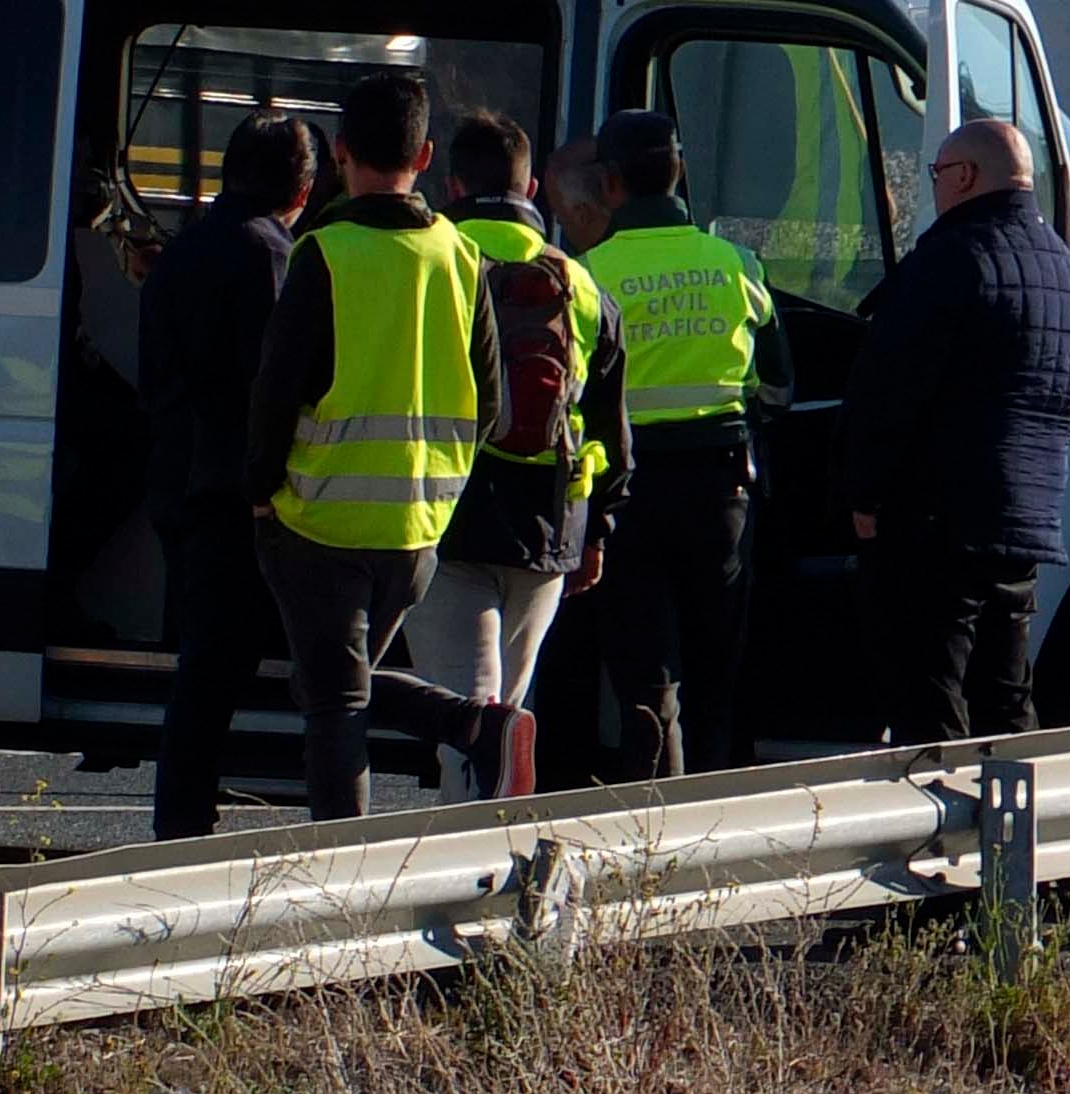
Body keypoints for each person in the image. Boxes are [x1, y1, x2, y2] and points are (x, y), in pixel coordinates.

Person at [244, 67, 525, 821]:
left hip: (318, 520)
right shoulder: (462, 257)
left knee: (333, 703)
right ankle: (474, 723)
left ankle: (346, 882)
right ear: (426, 157)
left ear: (340, 153)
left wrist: (260, 494)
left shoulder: (324, 254)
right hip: (418, 532)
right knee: (335, 684)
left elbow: (276, 394)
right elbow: (494, 409)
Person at [841, 115, 1070, 745]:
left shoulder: (949, 261)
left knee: (928, 692)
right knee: (1007, 695)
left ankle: (943, 836)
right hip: (1024, 523)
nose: (934, 188)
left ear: (965, 176)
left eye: (937, 174)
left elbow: (888, 396)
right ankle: (1013, 829)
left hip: (935, 522)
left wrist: (865, 497)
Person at [407, 113, 630, 739]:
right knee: (504, 718)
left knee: (467, 725)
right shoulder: (581, 284)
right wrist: (597, 533)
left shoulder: (429, 265)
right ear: (530, 190)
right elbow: (610, 433)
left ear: (452, 186)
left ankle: (467, 832)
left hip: (442, 517)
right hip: (546, 531)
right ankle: (494, 830)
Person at [578, 107, 777, 776]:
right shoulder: (737, 265)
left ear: (609, 184)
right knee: (715, 673)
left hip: (628, 493)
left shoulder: (589, 273)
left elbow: (574, 397)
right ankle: (714, 826)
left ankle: (654, 828)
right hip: (721, 490)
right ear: (680, 173)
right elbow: (777, 385)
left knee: (645, 680)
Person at [138, 111, 314, 839]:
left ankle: (180, 824)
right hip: (238, 490)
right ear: (303, 189)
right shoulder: (271, 254)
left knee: (202, 674)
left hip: (180, 478)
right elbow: (270, 380)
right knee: (314, 668)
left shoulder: (181, 251)